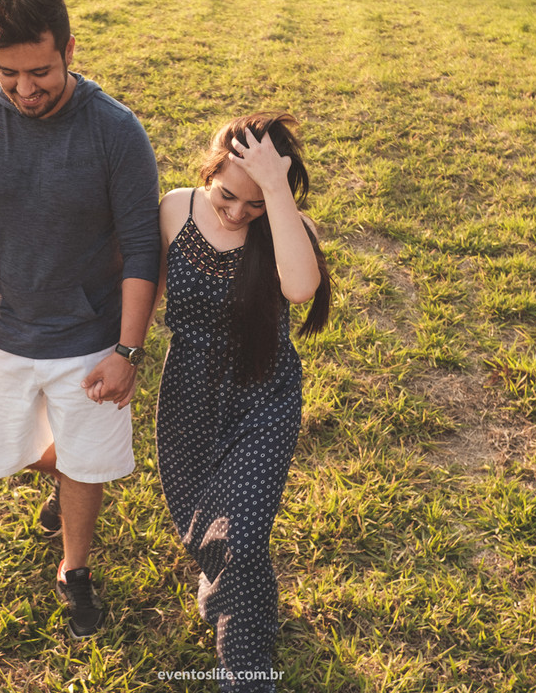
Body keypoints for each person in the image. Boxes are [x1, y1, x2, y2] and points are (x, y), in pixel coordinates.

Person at [0, 0, 160, 640]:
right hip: (5, 330)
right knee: (7, 452)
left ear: (69, 51)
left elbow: (144, 248)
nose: (26, 90)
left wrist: (127, 351)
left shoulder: (116, 130)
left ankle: (74, 568)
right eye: (8, 74)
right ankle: (70, 469)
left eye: (41, 72)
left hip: (90, 337)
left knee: (89, 464)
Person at [155, 113, 331, 691]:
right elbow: (144, 289)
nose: (236, 212)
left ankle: (246, 672)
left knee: (243, 534)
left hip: (262, 392)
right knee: (203, 526)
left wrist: (275, 192)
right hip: (189, 395)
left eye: (253, 203)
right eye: (228, 194)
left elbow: (301, 288)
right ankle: (236, 594)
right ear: (209, 170)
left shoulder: (284, 226)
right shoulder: (176, 209)